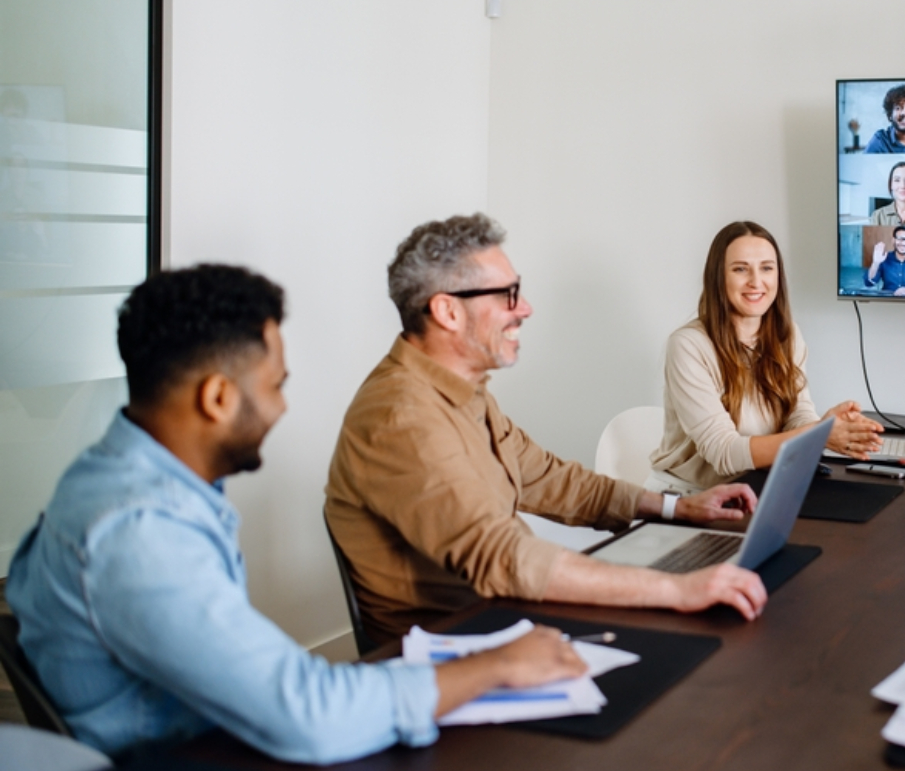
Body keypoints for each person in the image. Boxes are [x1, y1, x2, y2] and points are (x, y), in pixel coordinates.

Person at [5, 265, 588, 764]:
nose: (283, 406)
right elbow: (307, 711)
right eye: (276, 386)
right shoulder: (140, 529)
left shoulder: (108, 473)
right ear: (217, 398)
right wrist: (495, 665)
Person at [325, 214, 769, 644]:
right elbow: (505, 557)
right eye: (507, 294)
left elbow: (554, 480)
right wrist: (678, 590)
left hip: (506, 617)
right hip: (458, 648)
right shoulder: (402, 419)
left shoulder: (464, 393)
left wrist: (676, 508)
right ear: (447, 311)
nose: (525, 308)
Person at [649, 222, 883, 492]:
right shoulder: (688, 345)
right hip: (687, 495)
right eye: (740, 269)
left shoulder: (788, 335)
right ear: (718, 277)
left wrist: (826, 427)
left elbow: (797, 413)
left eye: (767, 268)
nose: (756, 281)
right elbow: (724, 453)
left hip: (755, 485)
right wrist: (819, 435)